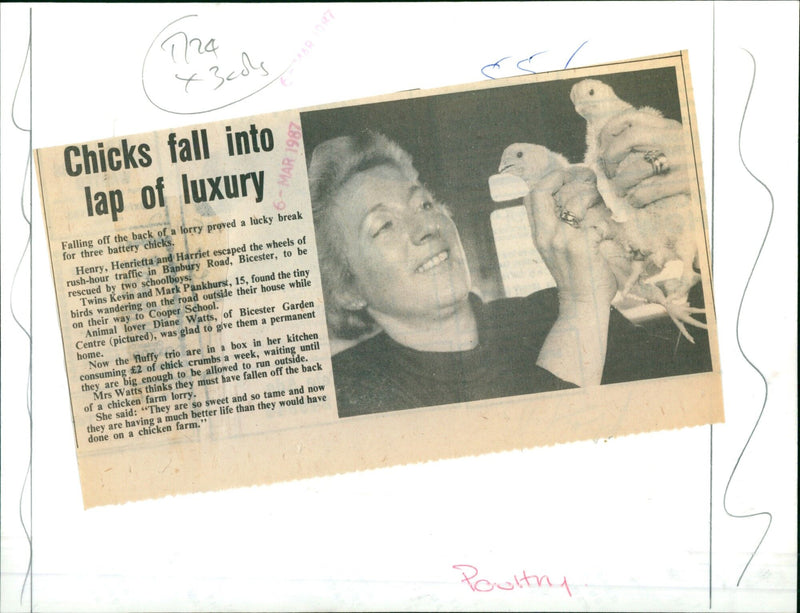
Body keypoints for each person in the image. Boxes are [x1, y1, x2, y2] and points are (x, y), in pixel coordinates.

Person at [309, 120, 708, 418]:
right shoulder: (347, 391)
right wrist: (582, 303)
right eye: (384, 226)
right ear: (347, 288)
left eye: (424, 204)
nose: (425, 227)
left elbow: (694, 401)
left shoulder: (547, 309)